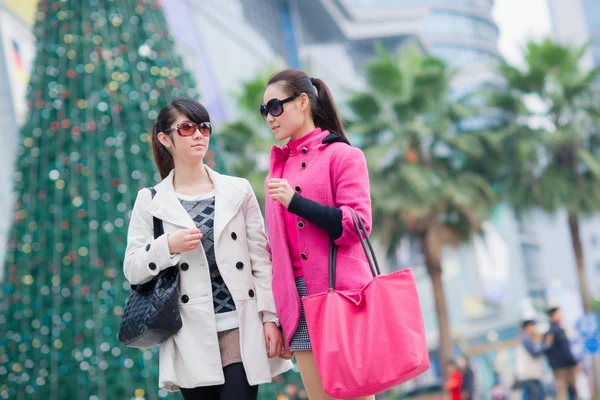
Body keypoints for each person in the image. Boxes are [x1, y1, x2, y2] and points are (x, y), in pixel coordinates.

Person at [123, 98, 292, 399]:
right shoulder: (150, 201)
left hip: (241, 327)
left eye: (204, 127)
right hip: (190, 335)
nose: (199, 134)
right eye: (186, 128)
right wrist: (167, 246)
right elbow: (133, 269)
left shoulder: (237, 190)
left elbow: (261, 261)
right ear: (165, 139)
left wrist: (270, 318)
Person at [262, 68, 375, 400]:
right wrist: (277, 313)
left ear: (302, 102)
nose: (269, 117)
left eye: (275, 107)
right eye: (264, 111)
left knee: (357, 396)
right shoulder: (277, 167)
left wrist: (297, 202)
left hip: (342, 294)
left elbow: (357, 224)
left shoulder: (343, 155)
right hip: (297, 300)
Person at [544, 307, 578, 400]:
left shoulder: (548, 333)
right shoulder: (559, 331)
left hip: (557, 368)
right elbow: (565, 349)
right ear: (553, 316)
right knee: (574, 391)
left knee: (561, 393)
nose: (561, 316)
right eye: (559, 314)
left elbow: (546, 351)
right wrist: (574, 362)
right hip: (567, 366)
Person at [515, 320, 553, 400]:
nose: (534, 328)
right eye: (531, 326)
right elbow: (534, 353)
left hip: (530, 376)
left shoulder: (527, 339)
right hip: (529, 376)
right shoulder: (525, 339)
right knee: (538, 396)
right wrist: (546, 344)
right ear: (526, 328)